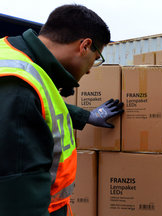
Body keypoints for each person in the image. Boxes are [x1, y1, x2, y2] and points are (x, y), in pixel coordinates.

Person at [0, 4, 123, 216]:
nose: (91, 70)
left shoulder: (18, 60)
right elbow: (20, 203)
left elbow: (40, 104)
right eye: (95, 59)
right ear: (85, 45)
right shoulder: (16, 85)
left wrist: (86, 116)